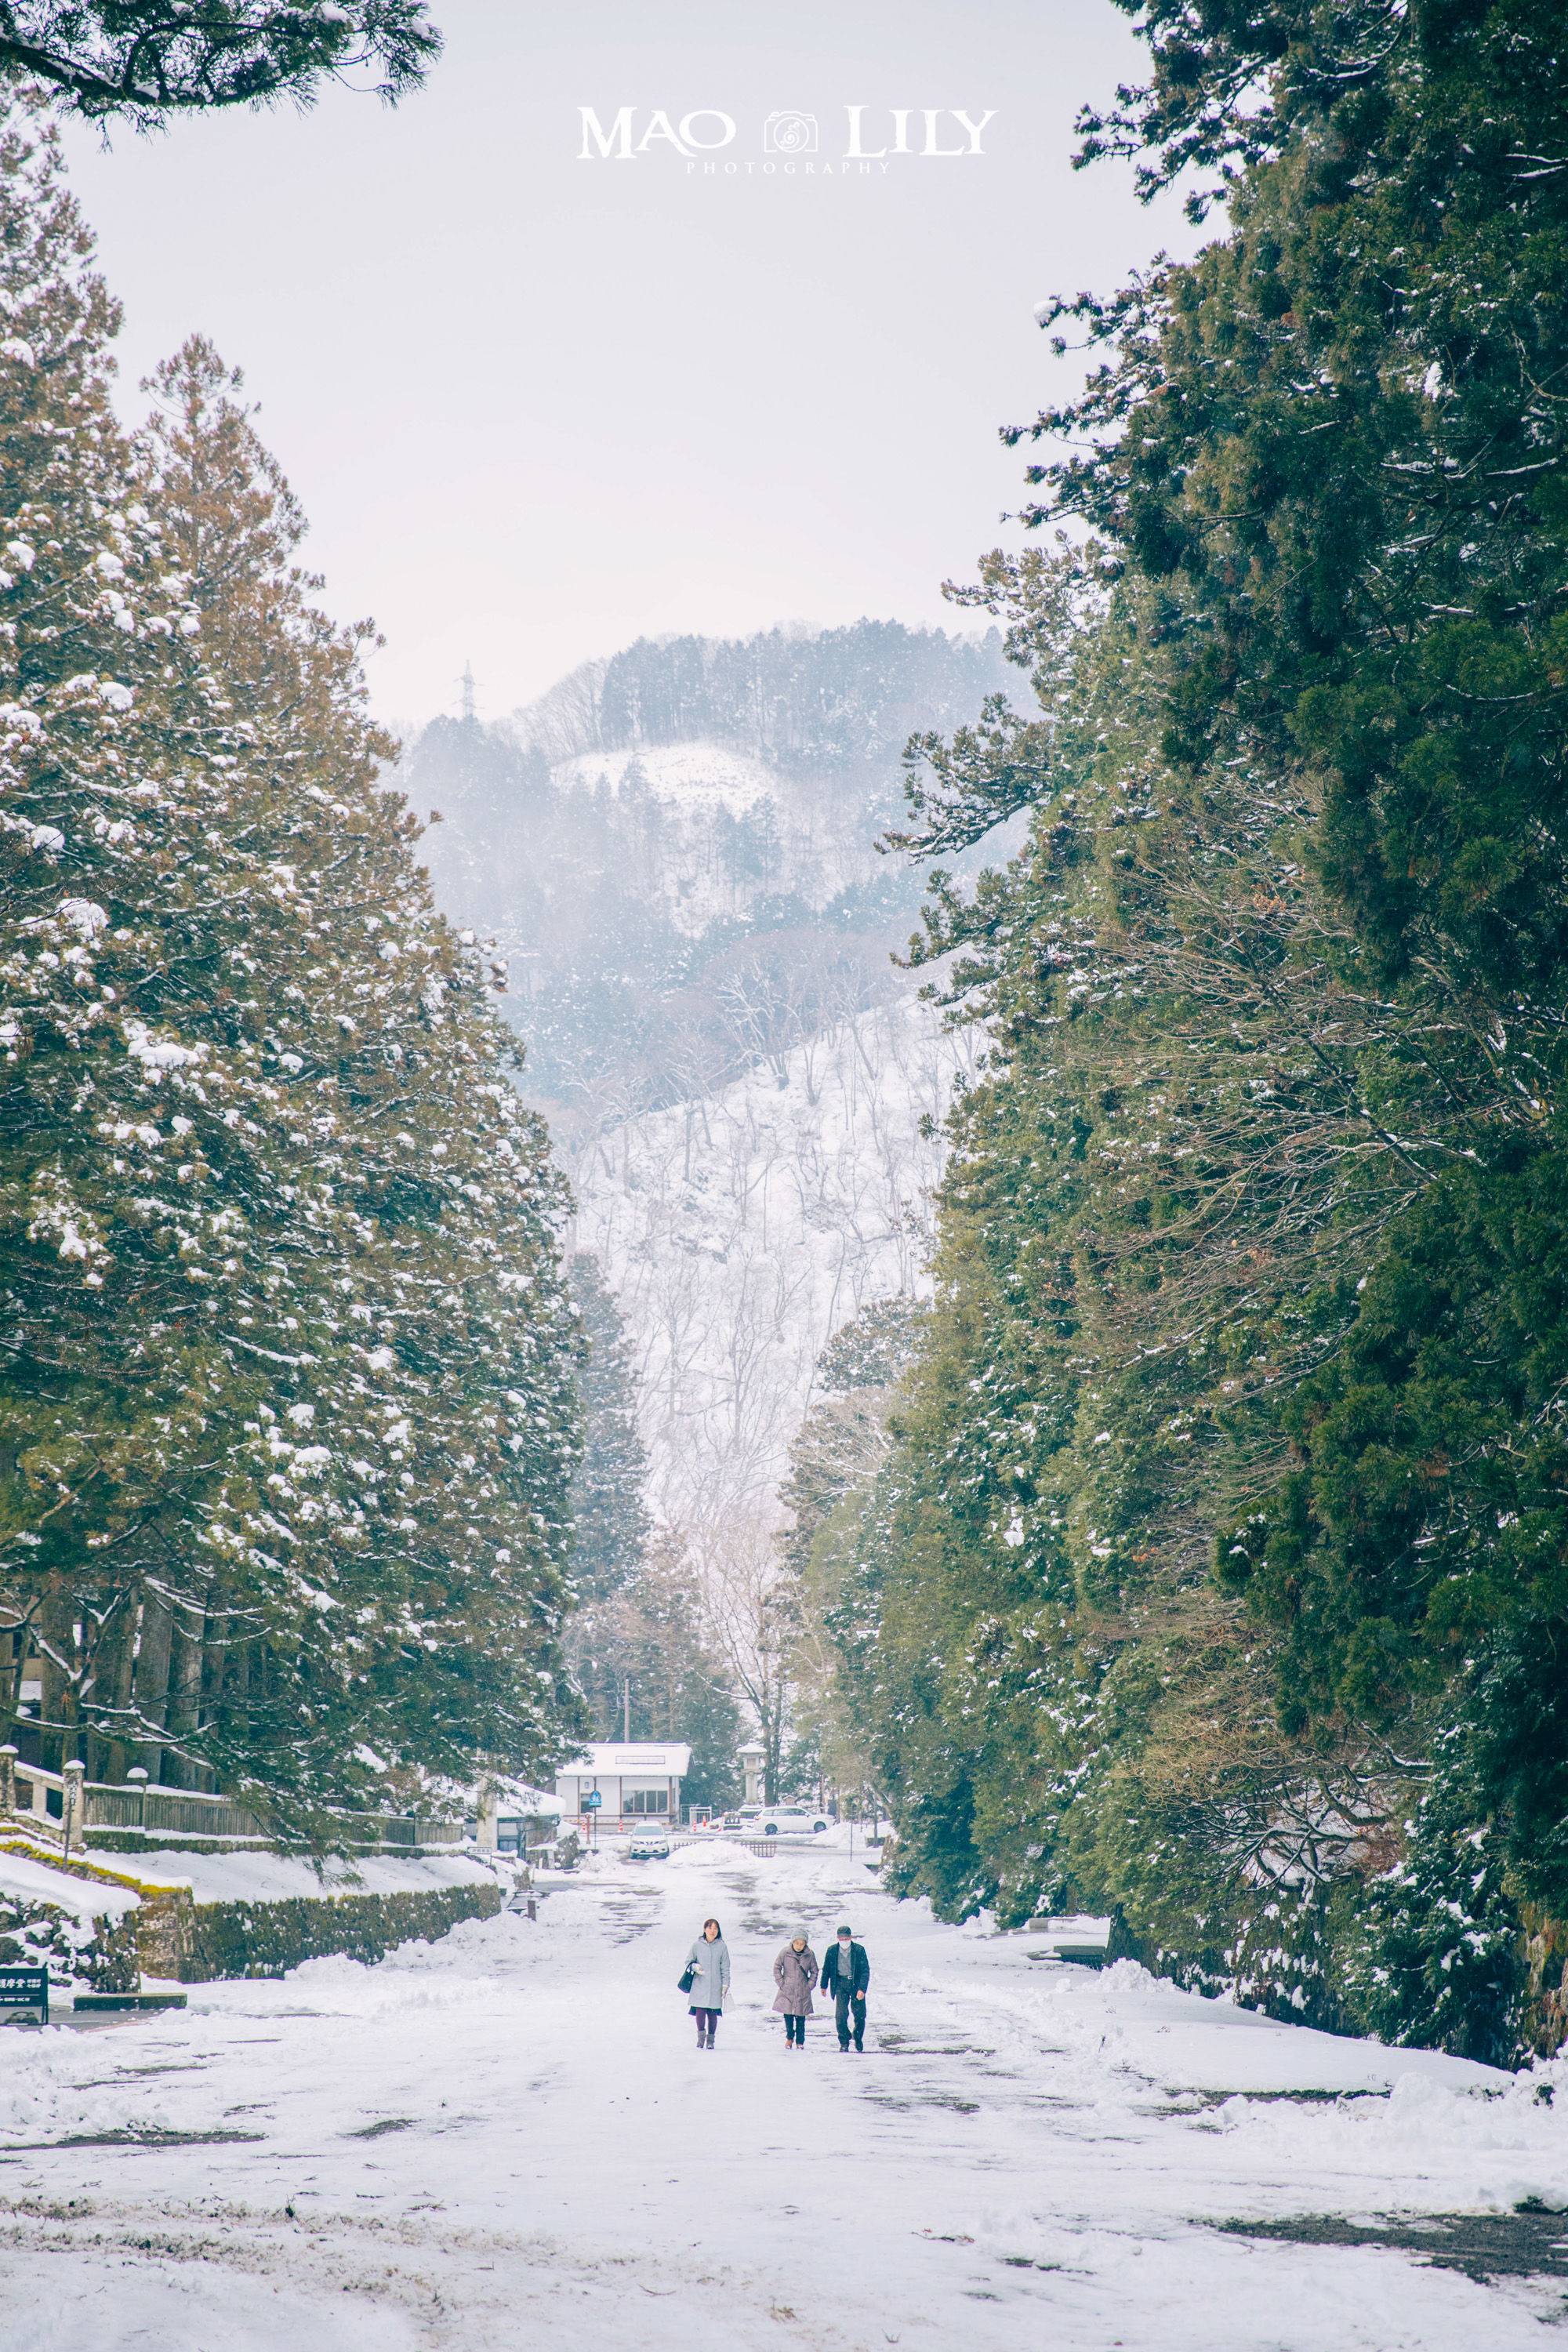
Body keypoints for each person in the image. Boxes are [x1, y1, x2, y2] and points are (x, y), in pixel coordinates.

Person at [682, 1915, 731, 2048]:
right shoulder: (697, 1945)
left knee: (713, 2012)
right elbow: (688, 1961)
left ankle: (711, 2040)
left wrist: (725, 1984)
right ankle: (700, 2038)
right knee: (700, 2011)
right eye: (710, 1928)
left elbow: (725, 1967)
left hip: (716, 1984)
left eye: (715, 1928)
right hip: (700, 1984)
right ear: (704, 1930)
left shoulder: (722, 1946)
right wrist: (694, 1966)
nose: (712, 1931)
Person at [820, 1922, 870, 2051]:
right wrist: (824, 1985)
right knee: (840, 2015)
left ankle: (858, 2038)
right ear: (838, 1938)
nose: (844, 1941)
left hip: (855, 1984)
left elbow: (865, 1970)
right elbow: (826, 1969)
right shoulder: (832, 1951)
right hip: (840, 1984)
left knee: (859, 2014)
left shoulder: (859, 1950)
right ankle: (844, 2041)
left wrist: (862, 1989)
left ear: (851, 1938)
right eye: (841, 1939)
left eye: (846, 1939)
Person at [772, 1926, 818, 2048]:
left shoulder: (810, 1954)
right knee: (788, 2015)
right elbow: (777, 1967)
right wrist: (782, 1982)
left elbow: (814, 1971)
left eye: (802, 1943)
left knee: (801, 2017)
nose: (799, 1946)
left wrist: (810, 1985)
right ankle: (789, 2038)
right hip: (787, 1989)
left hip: (803, 1990)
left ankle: (800, 2041)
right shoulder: (785, 1952)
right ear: (792, 1942)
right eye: (797, 1943)